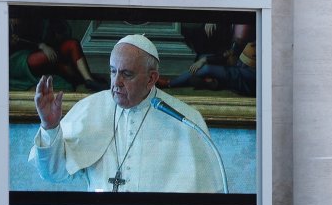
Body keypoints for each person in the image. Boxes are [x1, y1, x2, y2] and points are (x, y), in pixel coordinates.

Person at [30, 34, 221, 193]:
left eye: (127, 74)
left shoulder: (185, 118)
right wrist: (50, 127)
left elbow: (204, 196)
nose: (116, 82)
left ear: (151, 78)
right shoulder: (90, 108)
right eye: (113, 71)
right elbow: (53, 174)